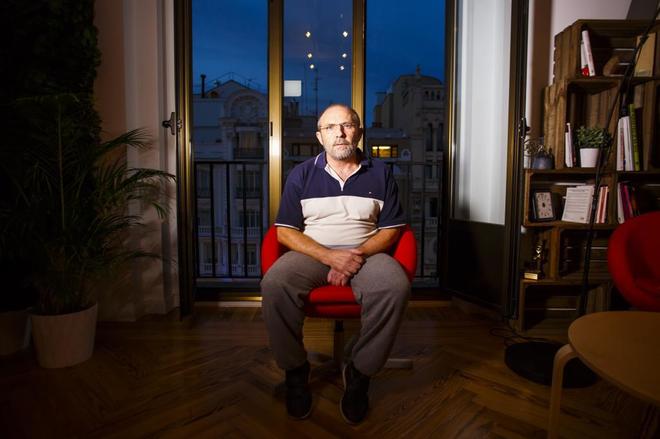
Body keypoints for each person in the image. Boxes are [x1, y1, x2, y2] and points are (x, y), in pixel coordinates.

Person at [261, 104, 411, 424]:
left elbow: (392, 230)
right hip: (313, 254)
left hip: (367, 254)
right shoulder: (301, 173)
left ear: (359, 132)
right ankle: (295, 371)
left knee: (394, 285)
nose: (339, 133)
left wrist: (354, 256)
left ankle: (360, 372)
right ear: (319, 137)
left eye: (347, 125)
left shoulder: (381, 172)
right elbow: (285, 232)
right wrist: (329, 257)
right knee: (274, 283)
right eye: (330, 127)